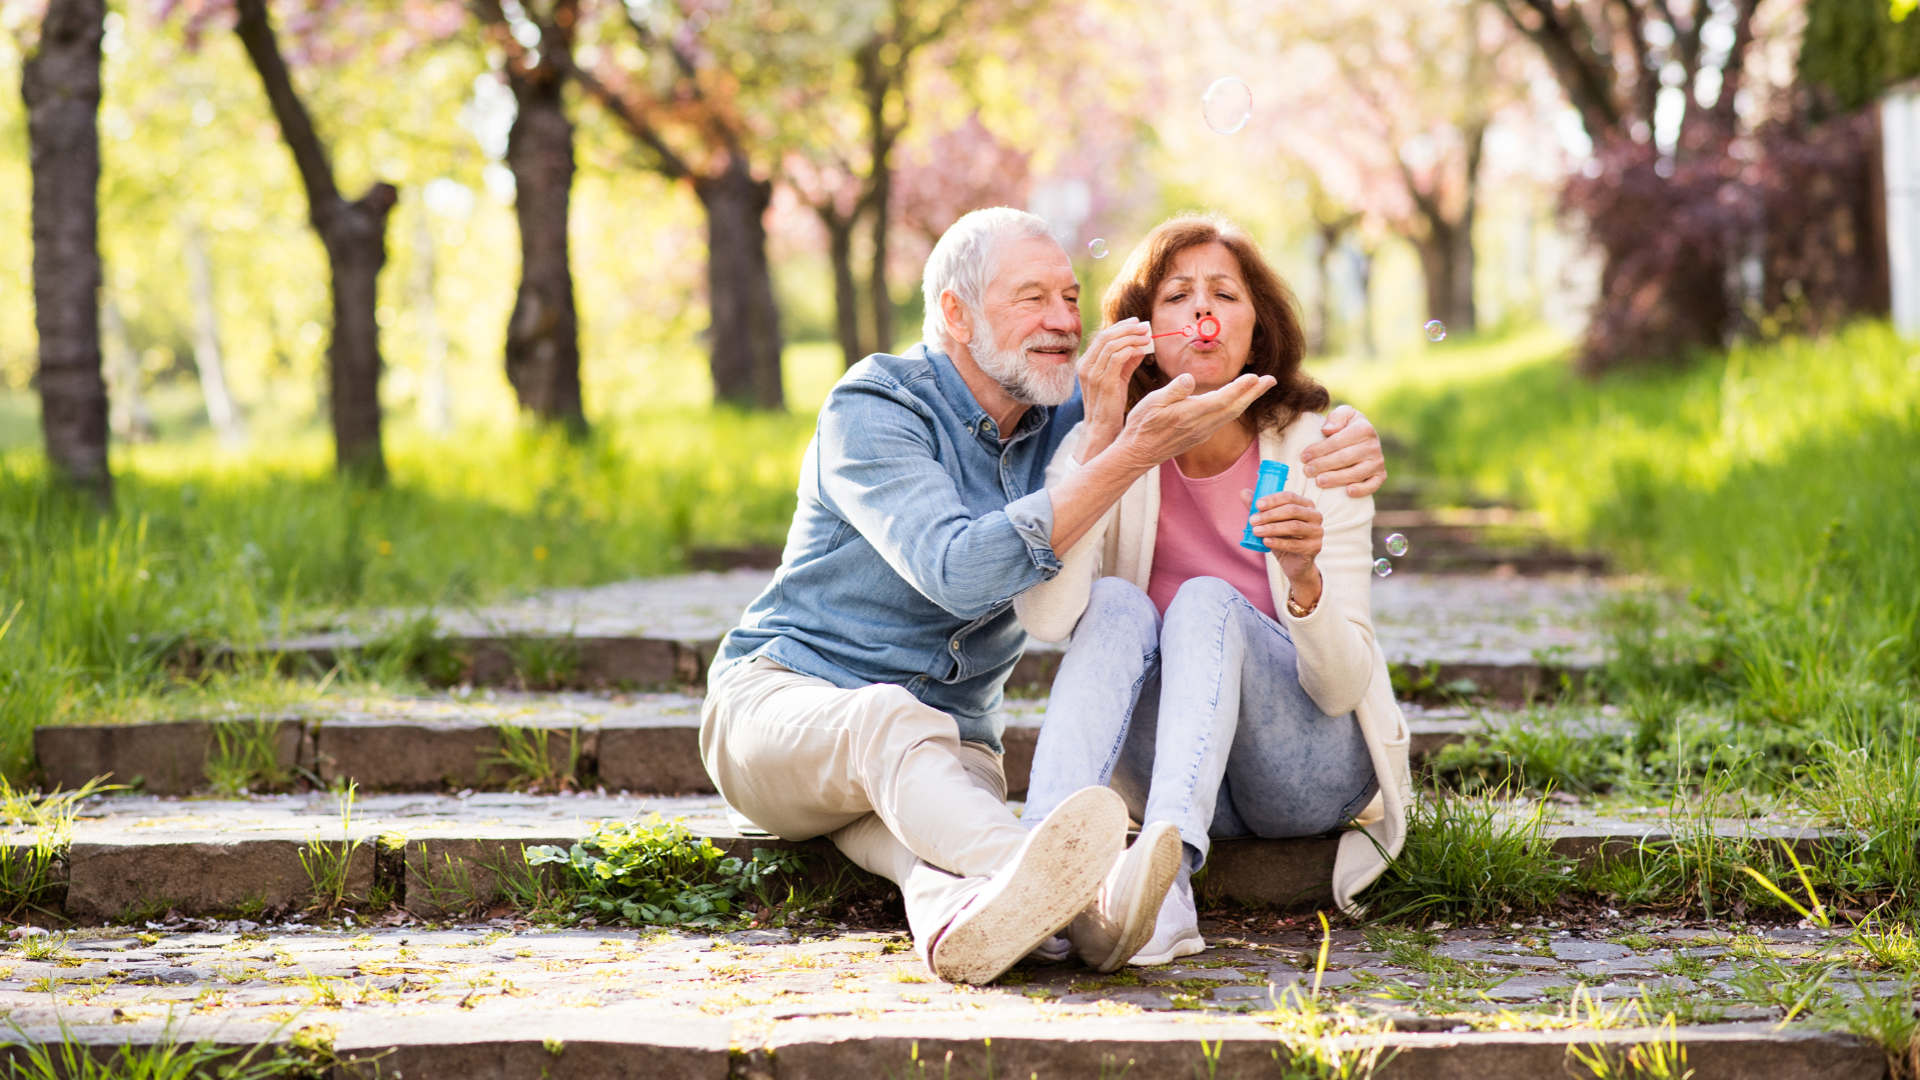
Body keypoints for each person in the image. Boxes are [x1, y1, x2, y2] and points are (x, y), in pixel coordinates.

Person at [700, 207, 1389, 984]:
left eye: (1070, 297)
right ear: (955, 314)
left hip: (952, 750)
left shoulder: (1074, 413)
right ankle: (1085, 891)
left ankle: (976, 927)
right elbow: (959, 571)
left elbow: (1172, 397)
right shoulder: (877, 406)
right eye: (1033, 298)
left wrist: (1352, 431)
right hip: (783, 708)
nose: (1064, 321)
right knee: (888, 723)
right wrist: (1116, 449)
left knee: (923, 863)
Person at [1015, 213, 1412, 968]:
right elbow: (1046, 614)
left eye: (1225, 294)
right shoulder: (1099, 447)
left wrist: (1305, 582)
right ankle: (1041, 872)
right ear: (1141, 331)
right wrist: (1104, 445)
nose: (1203, 312)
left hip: (1302, 772)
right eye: (1177, 296)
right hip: (1173, 764)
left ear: (1257, 328)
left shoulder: (1319, 450)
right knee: (1115, 603)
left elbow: (1341, 687)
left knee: (1202, 601)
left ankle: (1164, 892)